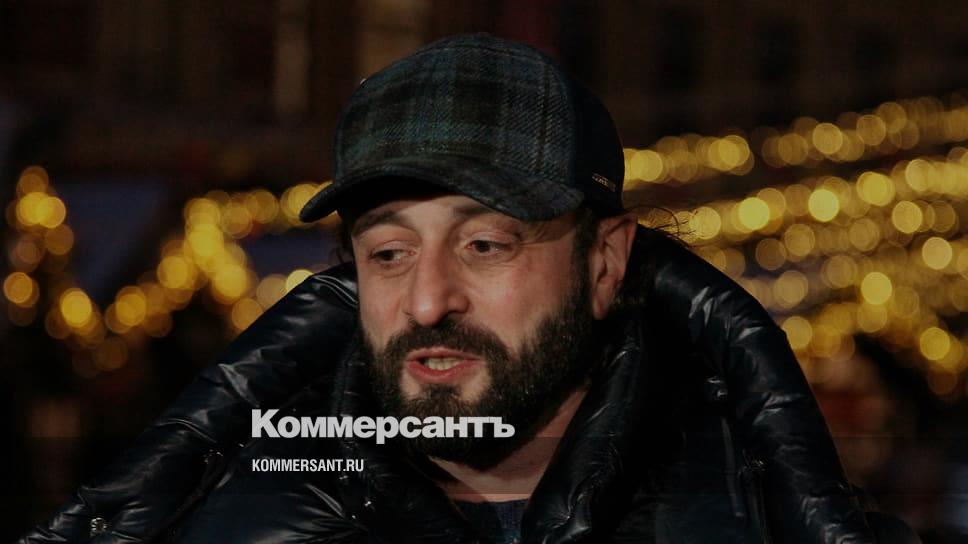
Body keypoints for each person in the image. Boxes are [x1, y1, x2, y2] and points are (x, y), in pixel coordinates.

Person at [19, 33, 918, 544]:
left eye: (484, 244)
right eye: (388, 253)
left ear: (604, 264)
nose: (426, 303)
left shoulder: (766, 518)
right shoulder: (225, 518)